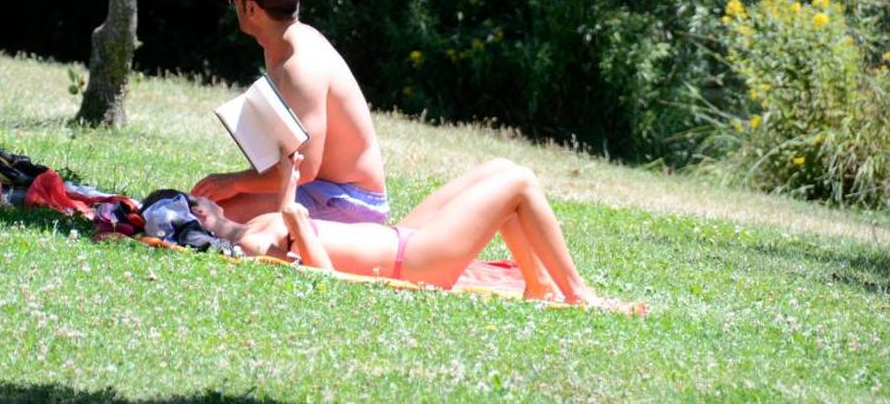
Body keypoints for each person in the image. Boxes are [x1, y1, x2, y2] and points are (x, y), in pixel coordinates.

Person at [188, 153, 643, 313]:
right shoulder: (247, 243)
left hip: (402, 237)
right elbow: (322, 276)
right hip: (415, 260)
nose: (204, 198)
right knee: (519, 181)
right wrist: (292, 208)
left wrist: (290, 176)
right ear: (201, 220)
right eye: (194, 204)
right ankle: (577, 293)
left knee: (499, 170)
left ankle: (539, 283)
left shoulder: (251, 226)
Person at [191, 0, 389, 224]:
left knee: (205, 219)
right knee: (202, 209)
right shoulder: (281, 44)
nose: (232, 2)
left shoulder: (301, 67)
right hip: (316, 188)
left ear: (250, 8)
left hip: (349, 201)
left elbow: (304, 168)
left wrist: (234, 182)